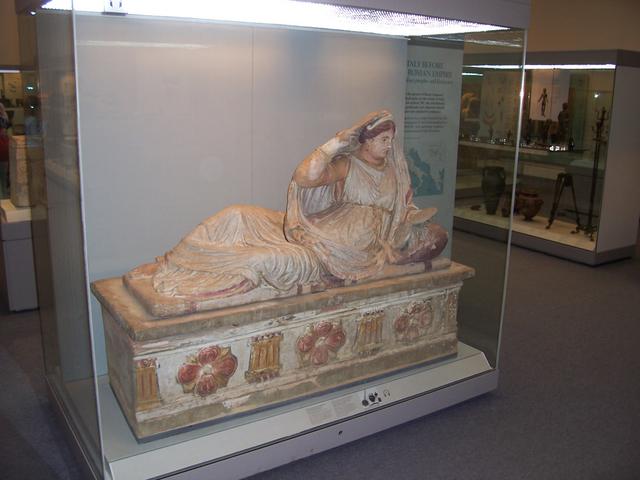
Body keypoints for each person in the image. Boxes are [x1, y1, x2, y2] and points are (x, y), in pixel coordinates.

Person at [133, 111, 447, 303]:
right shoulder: (347, 165)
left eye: (391, 139)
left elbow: (405, 214)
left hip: (333, 257)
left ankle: (190, 272)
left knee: (262, 259)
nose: (389, 146)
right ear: (365, 141)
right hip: (312, 230)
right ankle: (170, 263)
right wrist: (335, 144)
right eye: (383, 139)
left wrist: (415, 232)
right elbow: (304, 177)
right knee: (236, 214)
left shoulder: (396, 175)